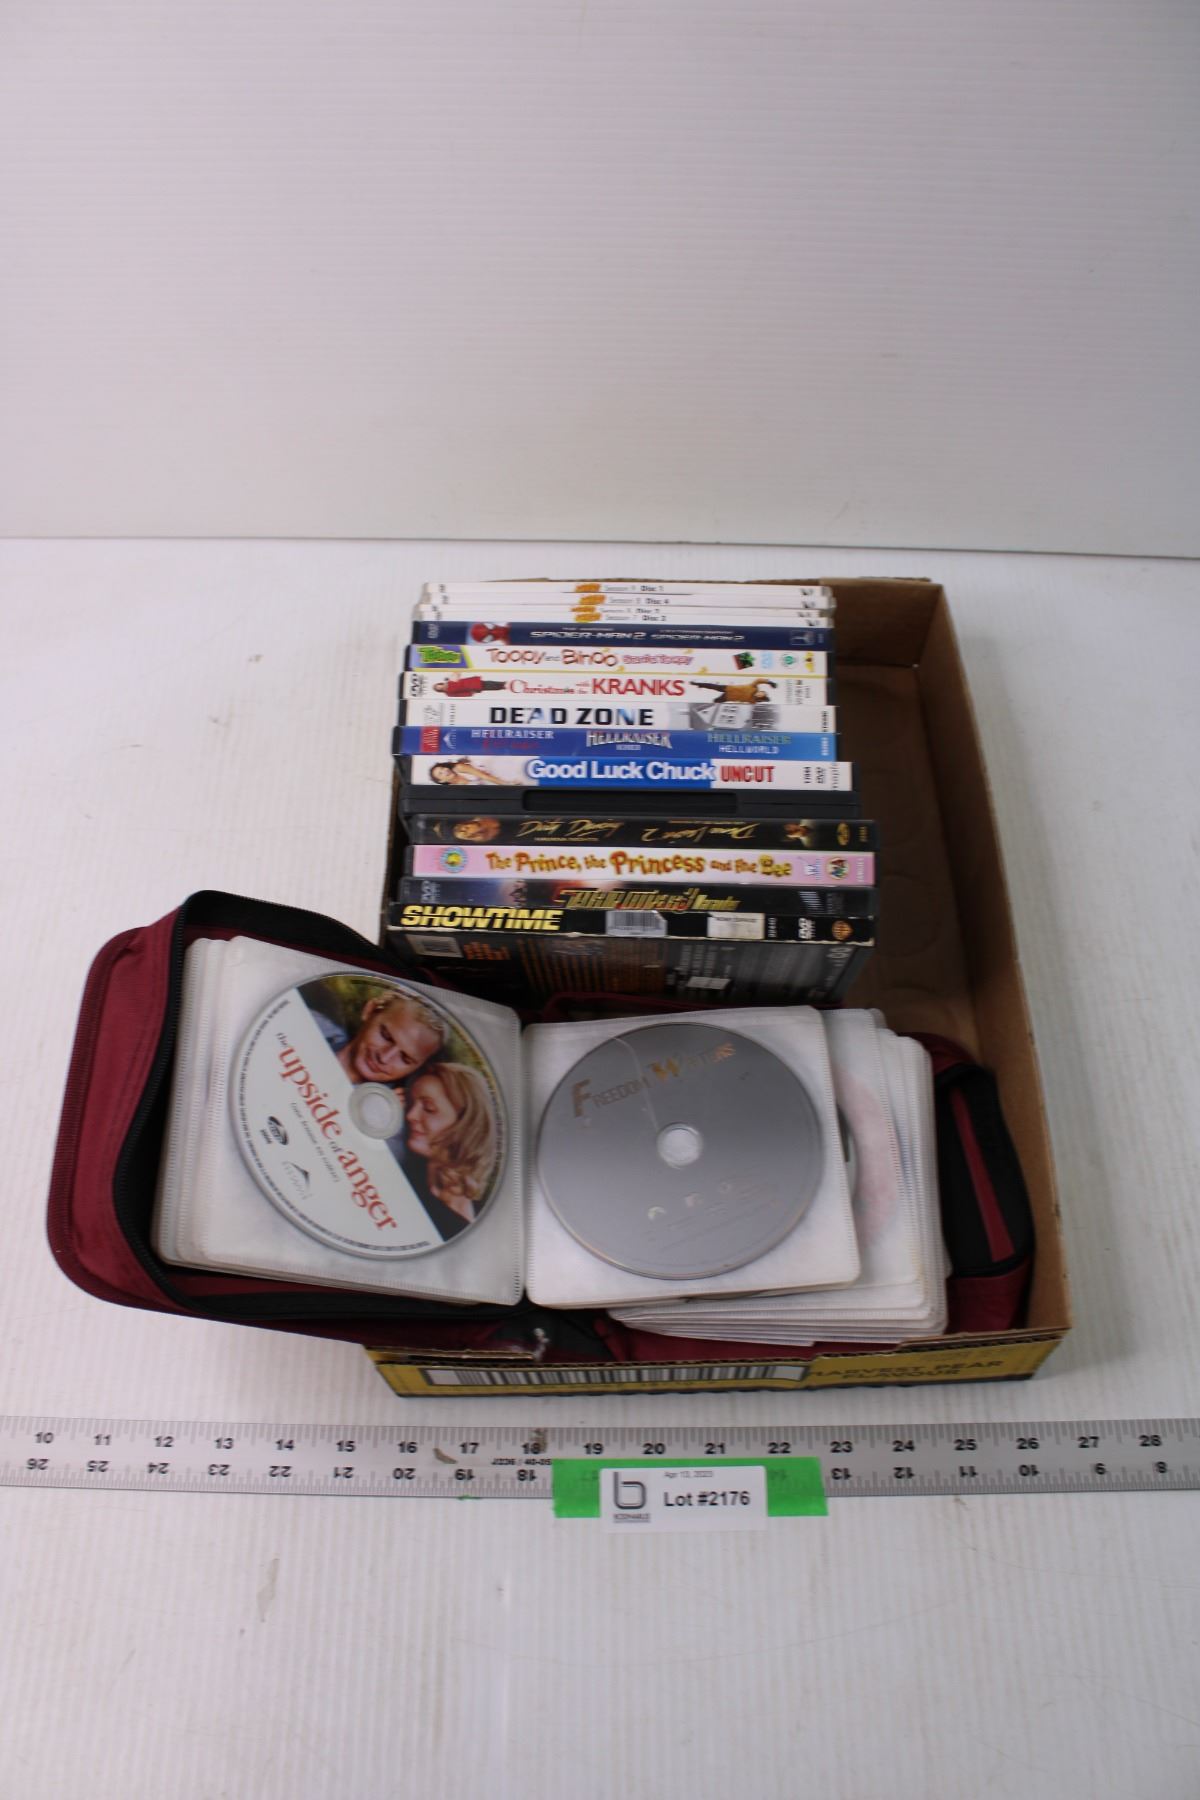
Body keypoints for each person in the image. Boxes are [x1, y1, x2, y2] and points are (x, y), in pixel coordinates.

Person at [402, 1062, 500, 1240]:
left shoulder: (483, 1222)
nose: (410, 1115)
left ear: (466, 1125)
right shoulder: (405, 1181)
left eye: (429, 1108)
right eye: (410, 1104)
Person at [312, 986, 444, 1088]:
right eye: (386, 1036)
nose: (384, 1058)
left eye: (405, 1058)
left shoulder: (392, 1114)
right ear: (370, 1011)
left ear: (419, 1066)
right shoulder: (312, 1022)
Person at [688, 678, 777, 704]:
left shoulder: (752, 701)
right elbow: (758, 680)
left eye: (761, 695)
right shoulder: (754, 687)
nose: (759, 693)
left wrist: (766, 699)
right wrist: (769, 682)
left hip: (728, 697)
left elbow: (759, 702)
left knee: (715, 702)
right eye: (761, 692)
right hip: (729, 688)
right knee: (712, 686)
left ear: (760, 698)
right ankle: (697, 683)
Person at [428, 758, 506, 786]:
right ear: (441, 781)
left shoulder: (459, 768)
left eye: (442, 768)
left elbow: (485, 776)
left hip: (495, 775)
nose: (445, 770)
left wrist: (507, 785)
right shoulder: (454, 789)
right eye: (440, 773)